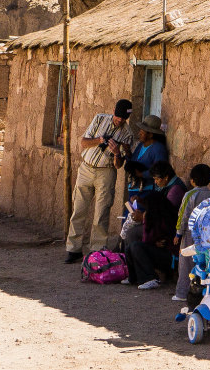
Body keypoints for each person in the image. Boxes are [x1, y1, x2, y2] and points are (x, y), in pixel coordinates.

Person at [64, 99, 136, 264]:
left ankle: (96, 252)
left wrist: (117, 152)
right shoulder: (99, 119)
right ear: (113, 111)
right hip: (86, 169)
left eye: (123, 119)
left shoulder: (127, 134)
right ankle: (73, 249)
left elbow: (118, 166)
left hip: (106, 172)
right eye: (117, 117)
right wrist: (100, 140)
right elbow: (83, 142)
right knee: (79, 210)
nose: (119, 121)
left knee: (101, 213)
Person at [172, 164, 210, 302]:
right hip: (206, 235)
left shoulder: (190, 195)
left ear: (192, 180)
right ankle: (201, 293)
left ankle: (182, 293)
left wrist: (178, 233)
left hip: (190, 233)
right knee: (203, 263)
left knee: (185, 263)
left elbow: (183, 215)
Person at [124, 190, 179, 290]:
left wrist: (144, 220)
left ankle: (150, 278)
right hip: (161, 253)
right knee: (129, 248)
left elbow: (146, 240)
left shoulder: (162, 218)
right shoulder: (158, 216)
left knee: (136, 247)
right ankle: (133, 277)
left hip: (170, 259)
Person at [117, 114, 168, 207]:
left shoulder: (158, 149)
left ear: (150, 134)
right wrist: (128, 153)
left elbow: (160, 171)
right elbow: (133, 162)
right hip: (134, 190)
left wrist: (141, 174)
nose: (139, 133)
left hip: (146, 191)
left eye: (142, 131)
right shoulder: (141, 145)